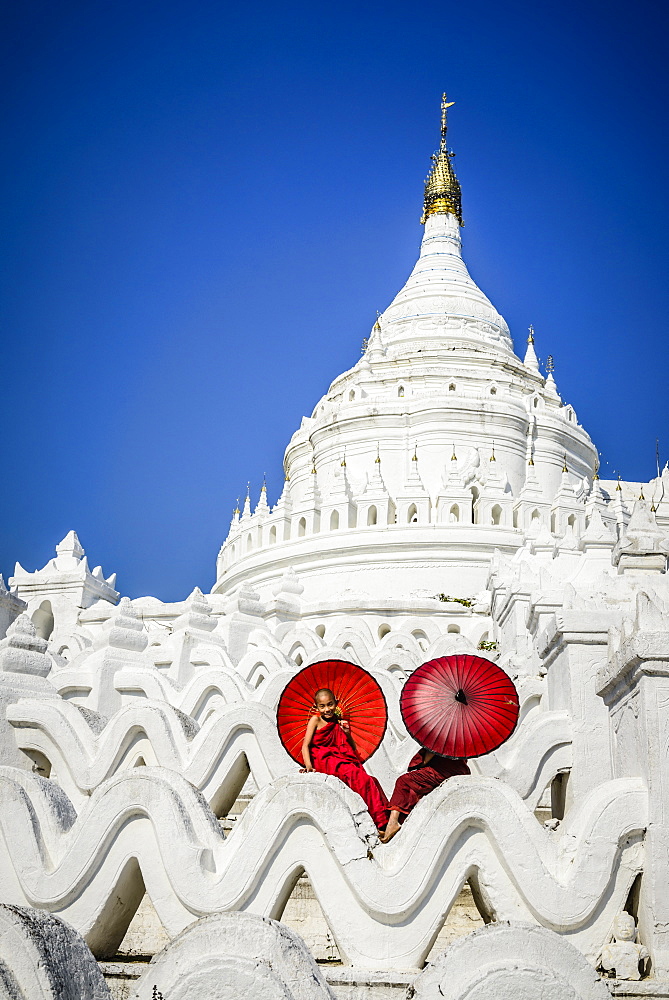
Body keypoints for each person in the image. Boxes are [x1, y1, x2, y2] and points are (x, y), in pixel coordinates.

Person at [301, 688, 389, 832]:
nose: (327, 709)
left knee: (370, 780)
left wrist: (347, 733)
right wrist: (309, 766)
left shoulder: (339, 721)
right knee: (359, 778)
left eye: (330, 704)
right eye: (322, 706)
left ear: (336, 702)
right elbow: (305, 745)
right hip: (325, 760)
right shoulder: (315, 720)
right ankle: (380, 823)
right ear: (316, 707)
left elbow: (352, 747)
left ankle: (379, 819)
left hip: (341, 758)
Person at [380, 749, 470, 842]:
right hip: (459, 770)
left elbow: (426, 759)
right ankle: (395, 825)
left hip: (441, 772)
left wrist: (422, 760)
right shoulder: (461, 742)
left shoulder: (440, 738)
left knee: (403, 781)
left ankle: (393, 822)